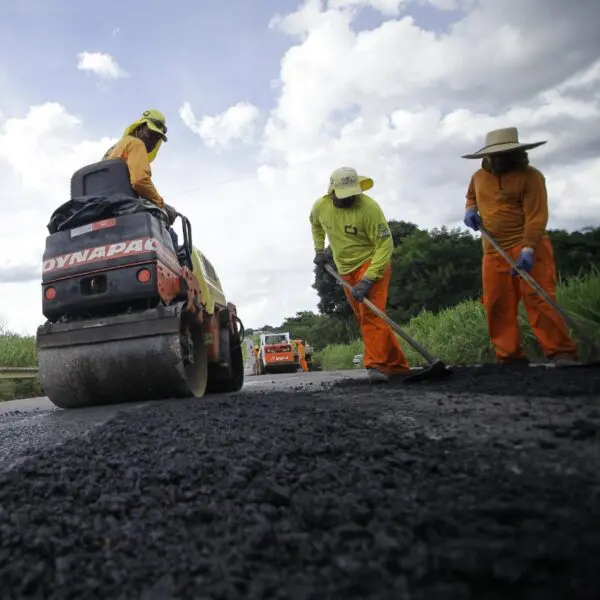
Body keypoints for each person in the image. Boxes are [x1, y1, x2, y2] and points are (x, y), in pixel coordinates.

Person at [462, 127, 579, 366]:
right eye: (493, 156)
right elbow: (472, 196)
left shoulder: (531, 176)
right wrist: (470, 210)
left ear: (515, 154)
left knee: (539, 298)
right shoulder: (478, 176)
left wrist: (528, 248)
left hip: (528, 245)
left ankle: (561, 352)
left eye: (502, 155)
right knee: (497, 303)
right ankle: (509, 355)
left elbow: (536, 216)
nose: (496, 160)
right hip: (493, 250)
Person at [309, 166, 410, 382]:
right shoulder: (321, 206)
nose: (349, 199)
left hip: (371, 263)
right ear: (332, 190)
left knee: (371, 315)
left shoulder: (369, 208)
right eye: (344, 195)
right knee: (368, 317)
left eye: (352, 194)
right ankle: (397, 365)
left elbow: (385, 244)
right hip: (344, 269)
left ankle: (376, 365)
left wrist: (368, 278)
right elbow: (315, 225)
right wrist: (319, 249)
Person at [103, 109, 180, 249]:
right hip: (124, 208)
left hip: (109, 206)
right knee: (171, 236)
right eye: (150, 134)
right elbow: (140, 181)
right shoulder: (136, 144)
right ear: (139, 128)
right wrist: (162, 205)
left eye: (157, 137)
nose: (152, 140)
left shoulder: (114, 150)